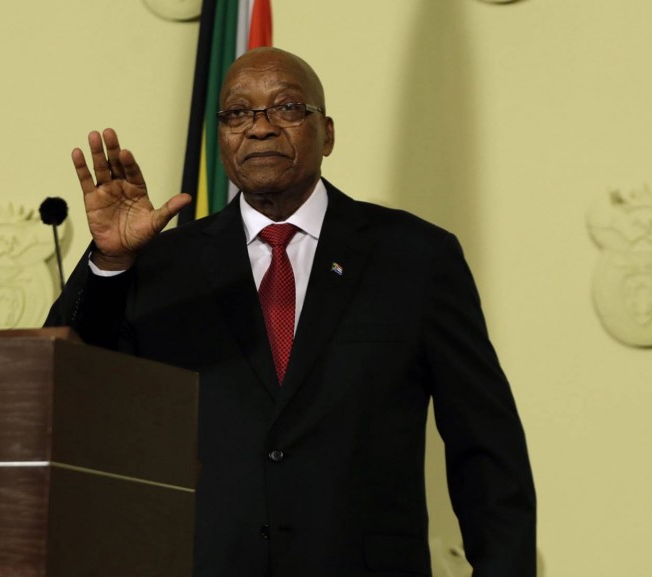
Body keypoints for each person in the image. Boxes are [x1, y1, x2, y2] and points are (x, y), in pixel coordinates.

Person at [46, 47, 536, 577]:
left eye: (286, 108)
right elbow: (64, 389)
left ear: (327, 133)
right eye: (238, 113)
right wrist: (111, 263)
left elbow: (486, 448)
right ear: (221, 138)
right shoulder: (162, 263)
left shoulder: (415, 257)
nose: (260, 128)